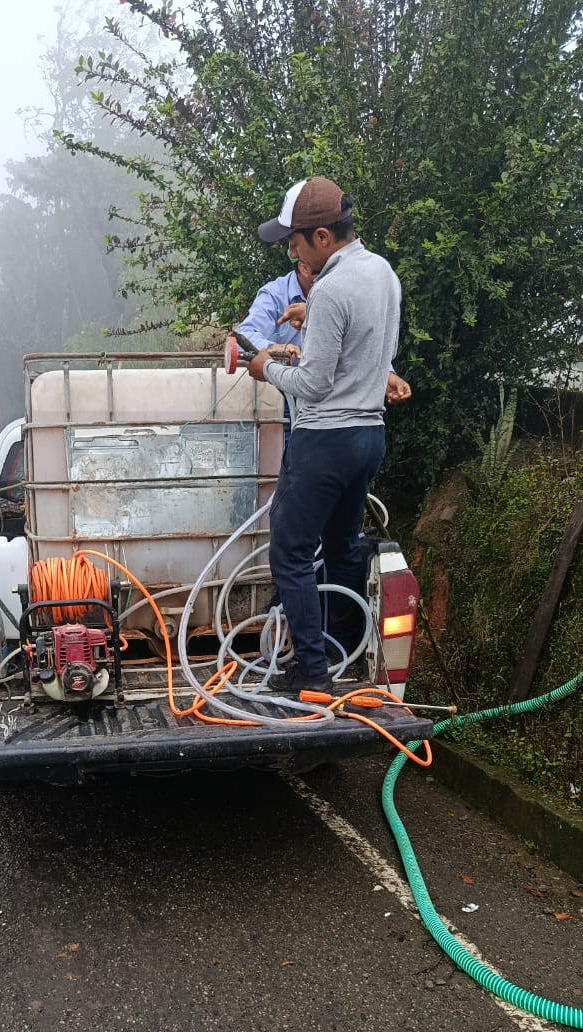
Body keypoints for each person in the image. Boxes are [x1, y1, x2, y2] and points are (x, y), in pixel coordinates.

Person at [246, 177, 401, 696]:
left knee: (290, 553)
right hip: (368, 437)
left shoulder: (331, 288)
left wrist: (266, 367)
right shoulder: (382, 273)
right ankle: (343, 652)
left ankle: (312, 672)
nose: (294, 254)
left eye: (295, 242)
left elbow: (312, 385)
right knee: (341, 546)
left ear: (321, 236)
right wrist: (310, 317)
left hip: (324, 440)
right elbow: (369, 346)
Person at [235, 257, 411, 445]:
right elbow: (242, 337)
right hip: (285, 396)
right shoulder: (275, 294)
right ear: (304, 267)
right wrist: (273, 348)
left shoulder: (342, 295)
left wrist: (385, 373)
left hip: (338, 404)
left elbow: (358, 339)